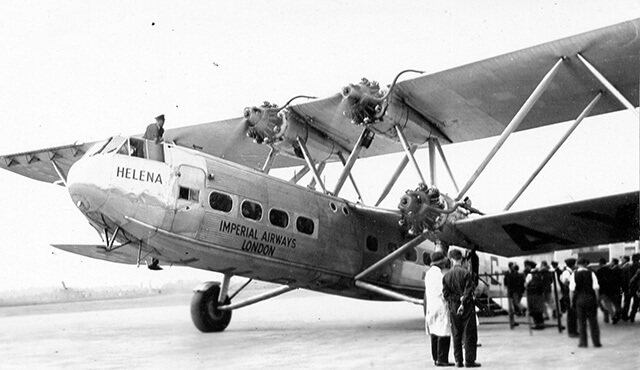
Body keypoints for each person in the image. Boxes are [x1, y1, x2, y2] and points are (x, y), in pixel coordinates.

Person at [443, 249, 480, 368]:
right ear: (461, 259)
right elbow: (469, 290)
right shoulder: (466, 273)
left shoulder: (446, 276)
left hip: (453, 307)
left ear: (451, 259)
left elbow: (445, 294)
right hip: (467, 306)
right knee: (469, 333)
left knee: (456, 333)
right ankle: (469, 361)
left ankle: (458, 361)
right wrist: (462, 300)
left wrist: (456, 300)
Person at [424, 251, 454, 367]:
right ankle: (442, 359)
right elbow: (443, 292)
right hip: (440, 306)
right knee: (443, 332)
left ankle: (435, 358)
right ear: (441, 263)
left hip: (431, 305)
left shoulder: (428, 274)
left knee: (434, 332)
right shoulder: (440, 276)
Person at [569, 257, 601, 348]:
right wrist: (597, 300)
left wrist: (571, 301)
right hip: (591, 299)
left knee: (581, 322)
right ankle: (596, 342)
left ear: (577, 264)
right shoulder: (591, 274)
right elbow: (596, 288)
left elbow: (571, 290)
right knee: (593, 322)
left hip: (580, 300)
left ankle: (583, 343)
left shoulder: (574, 275)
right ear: (585, 264)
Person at [560, 258, 579, 338]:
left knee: (573, 313)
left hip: (570, 293)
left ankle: (574, 330)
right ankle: (572, 332)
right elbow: (565, 282)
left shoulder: (570, 272)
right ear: (573, 264)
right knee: (571, 314)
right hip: (568, 294)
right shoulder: (566, 273)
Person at [524, 260, 545, 329]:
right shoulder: (539, 273)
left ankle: (537, 324)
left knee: (534, 310)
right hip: (539, 293)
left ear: (529, 266)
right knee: (539, 309)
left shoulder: (530, 275)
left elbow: (526, 284)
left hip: (532, 294)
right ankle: (541, 323)